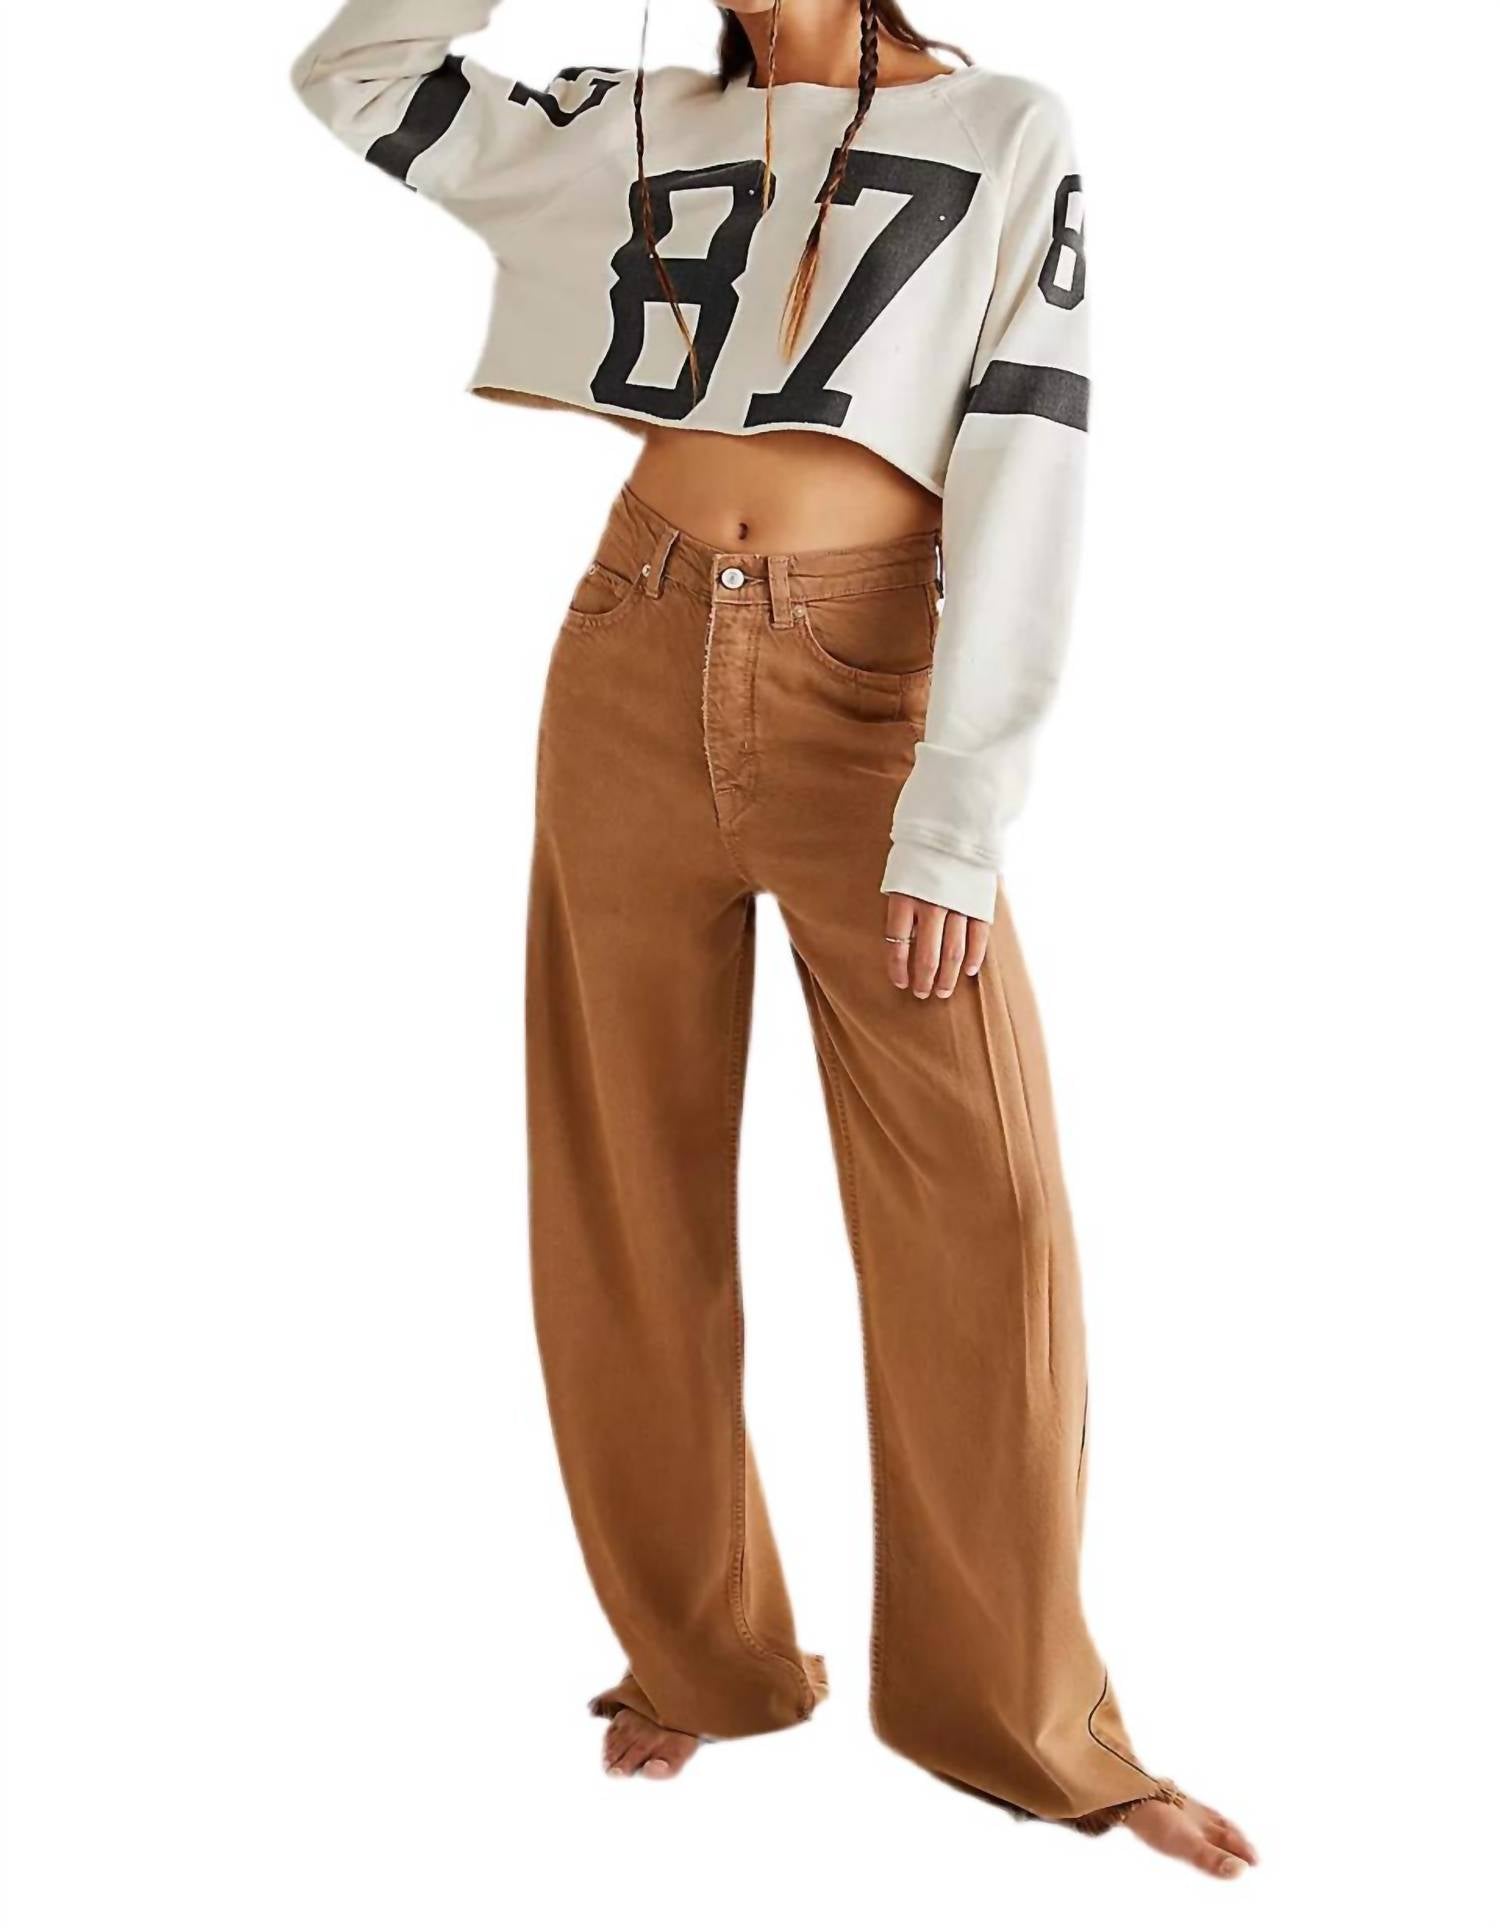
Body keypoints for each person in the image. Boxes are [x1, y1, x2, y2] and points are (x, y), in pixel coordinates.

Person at [290, 0, 1255, 1877]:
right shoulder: (641, 118)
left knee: (982, 1211)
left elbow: (1031, 455)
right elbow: (357, 80)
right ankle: (698, 1655)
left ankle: (1024, 1721)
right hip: (628, 651)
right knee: (623, 1188)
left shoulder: (1004, 126)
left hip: (865, 683)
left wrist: (958, 814)